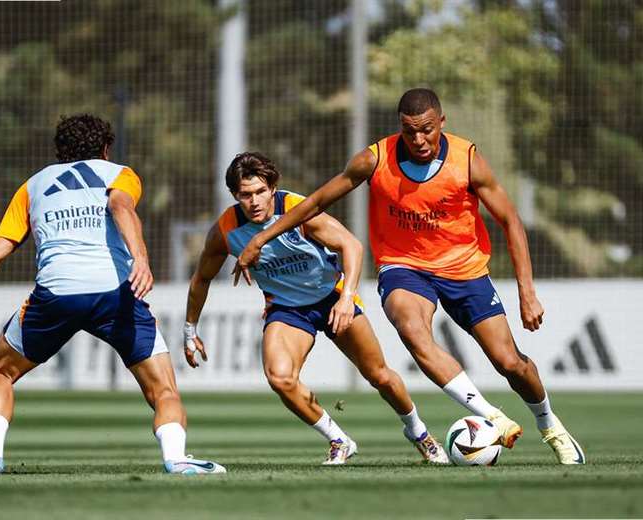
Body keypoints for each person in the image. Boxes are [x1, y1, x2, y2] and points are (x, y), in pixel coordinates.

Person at [233, 89, 585, 465]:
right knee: (414, 331)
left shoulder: (467, 159)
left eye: (427, 130)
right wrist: (262, 238)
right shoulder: (375, 158)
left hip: (465, 269)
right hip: (404, 267)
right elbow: (315, 202)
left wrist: (526, 292)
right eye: (409, 131)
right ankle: (493, 416)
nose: (418, 140)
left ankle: (551, 427)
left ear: (442, 123)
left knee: (510, 363)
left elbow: (511, 221)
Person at [0, 114, 225, 476]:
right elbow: (120, 206)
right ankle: (178, 460)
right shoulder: (121, 174)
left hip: (56, 295)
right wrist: (141, 258)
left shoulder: (32, 186)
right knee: (163, 389)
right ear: (106, 149)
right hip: (116, 295)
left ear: (60, 151)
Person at [184, 151, 448, 465]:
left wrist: (347, 297)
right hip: (287, 309)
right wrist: (190, 329)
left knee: (380, 376)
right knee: (280, 378)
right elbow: (202, 278)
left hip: (331, 297)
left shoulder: (298, 210)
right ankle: (339, 439)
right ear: (234, 195)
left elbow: (351, 245)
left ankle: (419, 433)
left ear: (273, 187)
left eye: (260, 192)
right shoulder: (227, 230)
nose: (254, 201)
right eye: (245, 195)